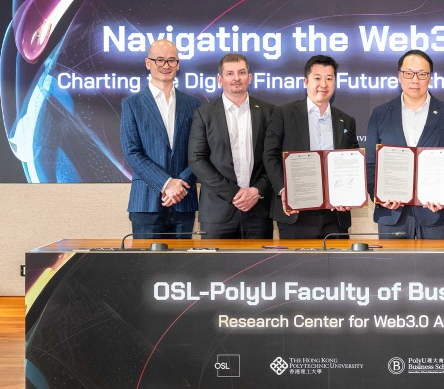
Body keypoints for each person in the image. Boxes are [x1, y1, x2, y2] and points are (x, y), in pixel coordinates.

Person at [365, 49, 444, 239]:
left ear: (429, 77)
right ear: (399, 76)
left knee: (435, 268)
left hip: (436, 214)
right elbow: (370, 164)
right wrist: (379, 195)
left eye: (422, 74)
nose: (415, 80)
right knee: (392, 268)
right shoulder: (380, 114)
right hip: (392, 215)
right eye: (409, 73)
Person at [263, 55, 358, 239]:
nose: (323, 84)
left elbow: (352, 161)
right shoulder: (284, 114)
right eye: (317, 78)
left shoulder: (346, 120)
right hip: (296, 213)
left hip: (335, 215)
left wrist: (349, 195)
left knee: (336, 267)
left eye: (329, 78)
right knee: (297, 268)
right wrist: (285, 191)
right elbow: (270, 155)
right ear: (306, 82)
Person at [188, 54, 275, 239]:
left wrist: (257, 190)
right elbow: (196, 159)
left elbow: (274, 158)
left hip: (258, 211)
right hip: (217, 213)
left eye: (242, 72)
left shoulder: (269, 112)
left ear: (249, 77)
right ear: (220, 79)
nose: (236, 78)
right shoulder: (204, 114)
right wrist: (234, 194)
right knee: (215, 268)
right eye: (230, 73)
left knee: (260, 268)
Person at [120, 39, 201, 239]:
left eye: (171, 60)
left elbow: (198, 151)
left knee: (183, 269)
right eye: (160, 60)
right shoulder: (132, 104)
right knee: (147, 268)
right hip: (146, 202)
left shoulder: (193, 104)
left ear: (178, 64)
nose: (166, 66)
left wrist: (180, 184)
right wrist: (167, 184)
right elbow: (132, 152)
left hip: (184, 200)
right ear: (148, 63)